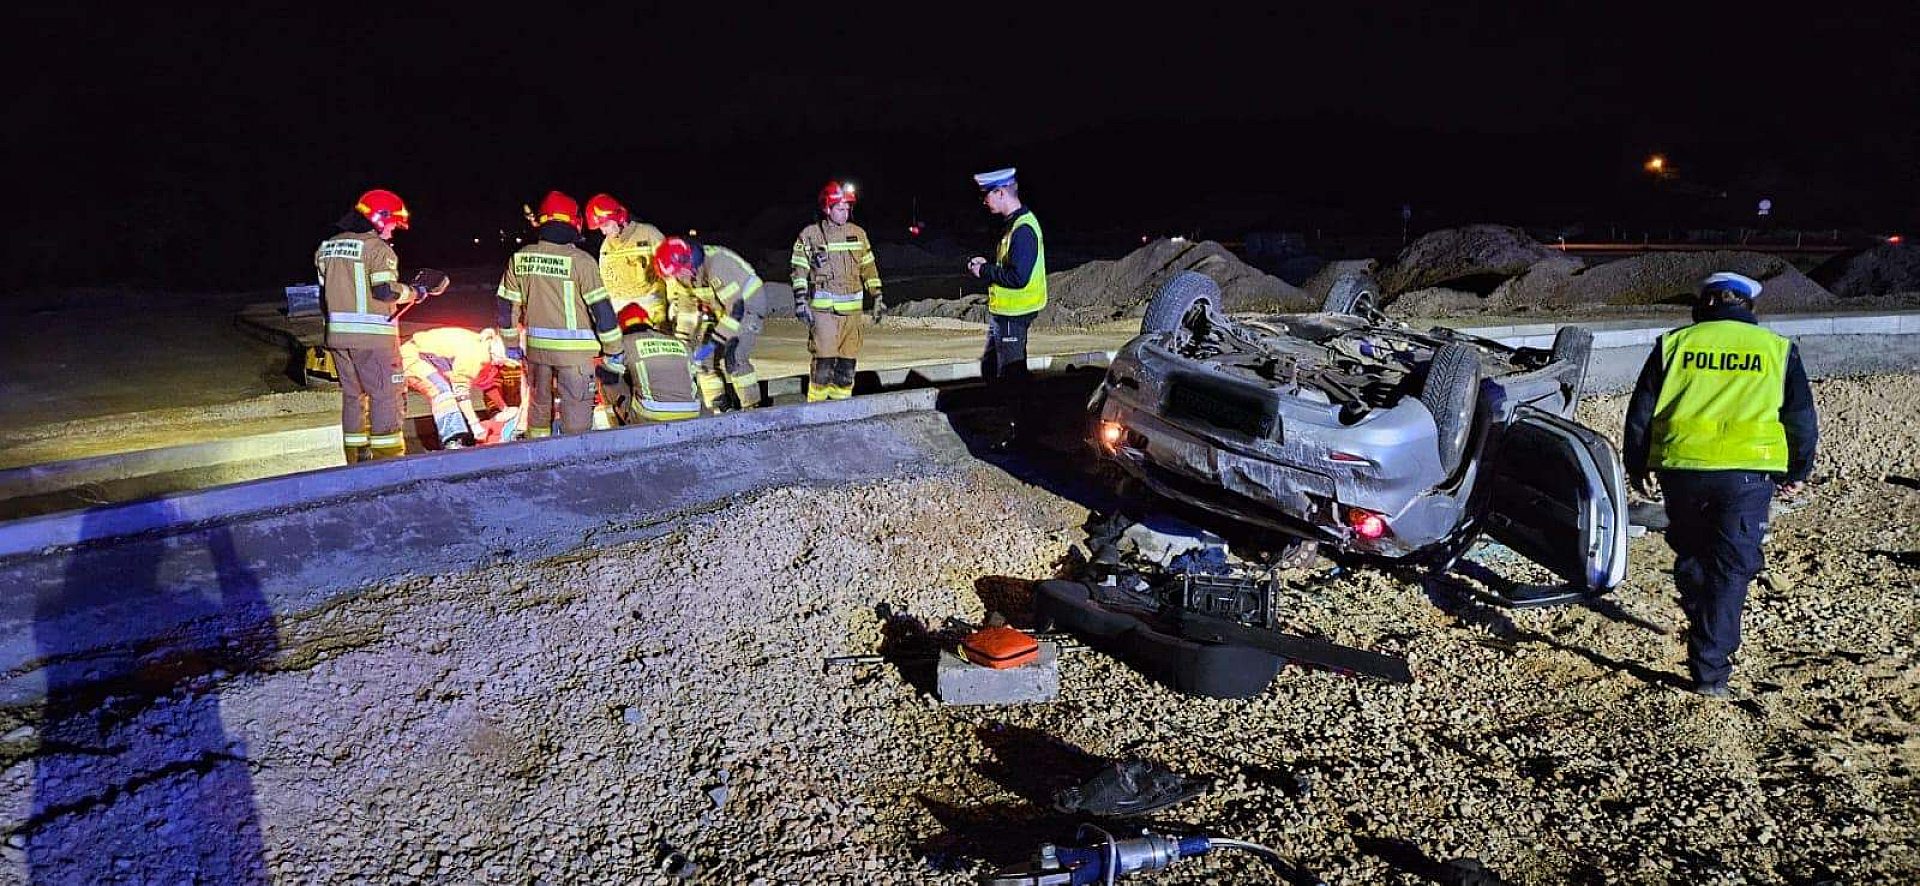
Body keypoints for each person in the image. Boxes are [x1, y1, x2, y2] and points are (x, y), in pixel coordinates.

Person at [1623, 271, 1818, 698]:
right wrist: (1798, 472)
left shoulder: (1675, 345)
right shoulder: (1777, 350)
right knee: (1731, 570)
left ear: (1705, 304)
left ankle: (1703, 618)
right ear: (1748, 307)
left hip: (1683, 471)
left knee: (1694, 554)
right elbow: (1800, 419)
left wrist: (1636, 462)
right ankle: (1710, 673)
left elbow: (1641, 410)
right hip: (1748, 476)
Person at [494, 191, 623, 437]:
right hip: (575, 357)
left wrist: (511, 343)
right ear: (573, 223)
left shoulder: (520, 258)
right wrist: (614, 351)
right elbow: (602, 312)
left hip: (537, 353)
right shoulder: (581, 261)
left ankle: (540, 460)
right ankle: (573, 464)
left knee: (539, 410)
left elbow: (506, 307)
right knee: (576, 418)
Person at [315, 188, 427, 463]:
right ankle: (388, 462)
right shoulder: (377, 249)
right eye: (392, 225)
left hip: (338, 339)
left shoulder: (326, 247)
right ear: (379, 218)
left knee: (353, 398)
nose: (392, 232)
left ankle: (356, 458)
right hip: (374, 340)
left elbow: (323, 294)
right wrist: (414, 292)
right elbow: (385, 291)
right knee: (386, 397)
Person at [967, 167, 1047, 445]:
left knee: (1011, 376)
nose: (984, 201)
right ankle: (1018, 423)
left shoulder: (1023, 229)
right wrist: (987, 267)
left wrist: (984, 271)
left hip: (1014, 314)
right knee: (997, 369)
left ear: (1001, 193)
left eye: (987, 195)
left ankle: (1020, 433)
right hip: (1005, 314)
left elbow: (1018, 277)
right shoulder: (1014, 224)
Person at [790, 180, 884, 402]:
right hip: (825, 313)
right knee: (824, 362)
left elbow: (868, 268)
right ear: (826, 208)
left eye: (847, 209)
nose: (845, 213)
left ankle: (841, 409)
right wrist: (801, 301)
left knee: (847, 364)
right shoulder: (811, 235)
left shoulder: (858, 234)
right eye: (840, 209)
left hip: (852, 314)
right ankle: (816, 409)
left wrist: (878, 296)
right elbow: (799, 270)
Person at [652, 236, 769, 411]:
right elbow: (687, 313)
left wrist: (715, 341)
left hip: (747, 304)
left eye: (677, 273)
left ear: (687, 261)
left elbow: (735, 311)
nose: (676, 278)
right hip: (720, 308)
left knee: (735, 356)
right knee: (701, 362)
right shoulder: (682, 275)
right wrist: (683, 345)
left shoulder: (717, 264)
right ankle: (720, 409)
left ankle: (752, 409)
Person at [399, 326, 518, 448]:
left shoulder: (486, 351)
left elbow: (486, 384)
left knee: (444, 389)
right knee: (441, 392)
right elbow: (461, 393)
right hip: (412, 356)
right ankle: (452, 441)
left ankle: (455, 438)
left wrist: (504, 409)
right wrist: (475, 425)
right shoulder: (476, 353)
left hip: (430, 359)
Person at [608, 303, 702, 424]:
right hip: (692, 411)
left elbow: (609, 375)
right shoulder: (680, 343)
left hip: (652, 413)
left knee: (608, 375)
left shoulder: (625, 342)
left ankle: (624, 430)